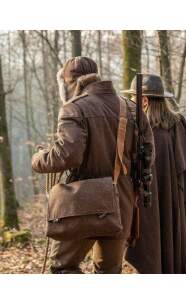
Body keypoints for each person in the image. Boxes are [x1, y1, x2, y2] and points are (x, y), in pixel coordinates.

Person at [31, 57, 155, 274]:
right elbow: (148, 157)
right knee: (109, 271)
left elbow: (67, 155)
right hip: (121, 204)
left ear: (70, 82)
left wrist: (38, 158)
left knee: (63, 268)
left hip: (81, 204)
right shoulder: (132, 109)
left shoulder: (73, 109)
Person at [125, 74, 186, 274]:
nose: (132, 103)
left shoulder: (139, 132)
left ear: (144, 101)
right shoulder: (180, 126)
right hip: (178, 207)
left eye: (134, 99)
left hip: (148, 208)